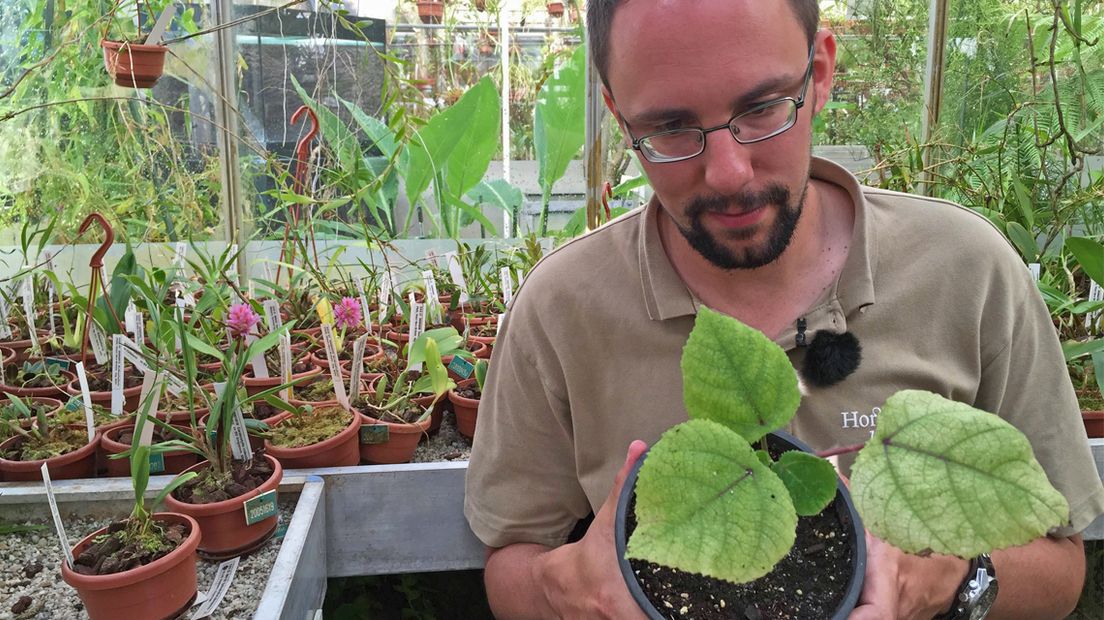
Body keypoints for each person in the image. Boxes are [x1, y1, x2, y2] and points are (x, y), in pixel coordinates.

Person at [464, 1, 1104, 618]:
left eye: (763, 107)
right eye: (669, 128)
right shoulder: (562, 308)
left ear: (820, 72)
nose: (729, 172)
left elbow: (1060, 567)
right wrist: (565, 592)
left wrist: (946, 582)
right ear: (617, 114)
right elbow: (511, 558)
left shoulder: (966, 271)